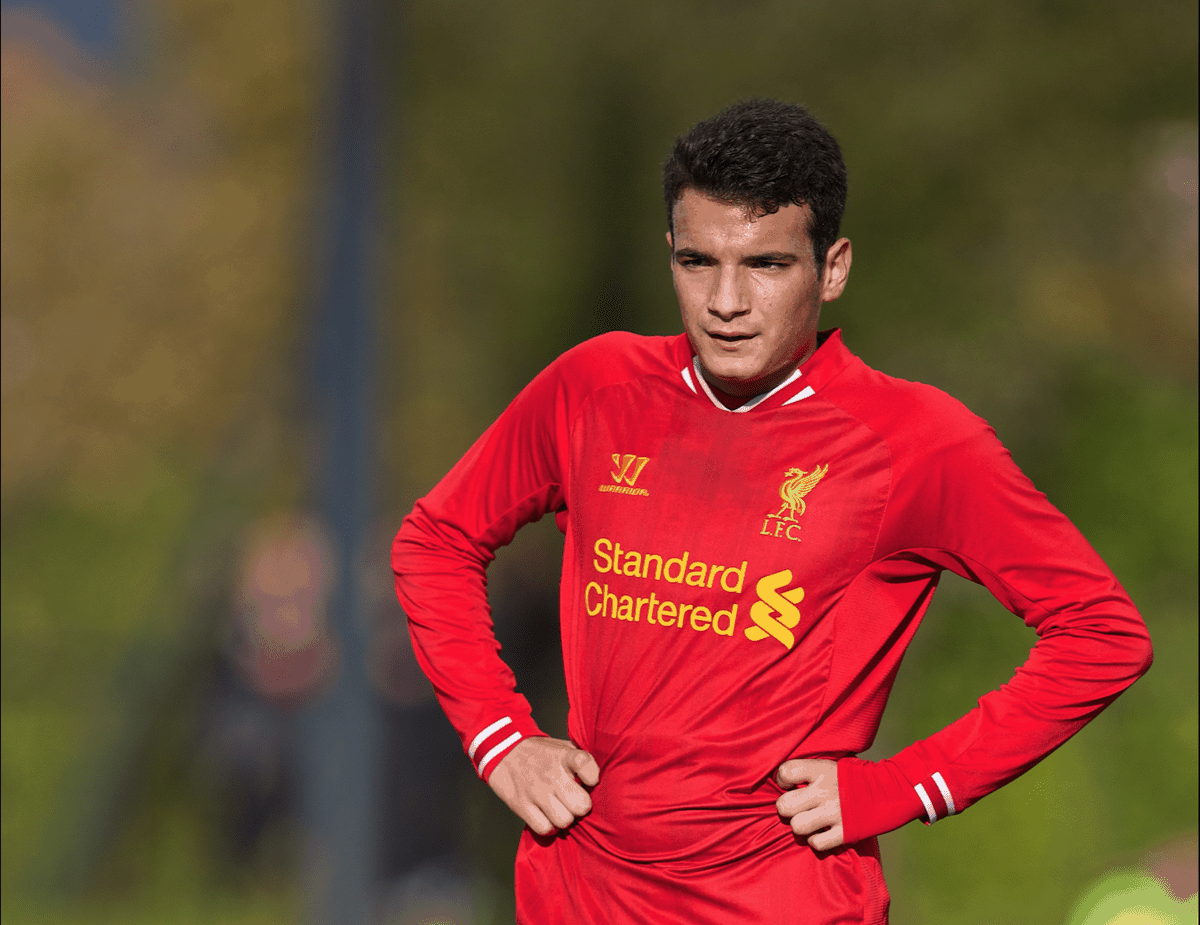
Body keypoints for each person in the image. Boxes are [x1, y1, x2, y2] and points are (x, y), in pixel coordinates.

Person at [391, 99, 1153, 924]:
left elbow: (1101, 633)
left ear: (833, 268)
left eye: (765, 264)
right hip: (578, 895)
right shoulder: (595, 388)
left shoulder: (918, 441)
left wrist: (912, 783)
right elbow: (436, 539)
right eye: (696, 261)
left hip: (781, 902)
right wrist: (500, 735)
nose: (726, 300)